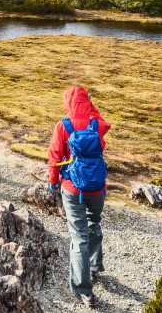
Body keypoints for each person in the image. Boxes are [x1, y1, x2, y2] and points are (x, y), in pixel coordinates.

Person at [48, 86, 111, 307]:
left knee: (78, 237)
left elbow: (55, 156)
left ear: (68, 103)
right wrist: (91, 109)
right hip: (96, 187)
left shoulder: (63, 126)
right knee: (95, 223)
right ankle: (94, 267)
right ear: (87, 102)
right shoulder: (96, 125)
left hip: (72, 188)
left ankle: (83, 289)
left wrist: (53, 181)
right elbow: (106, 125)